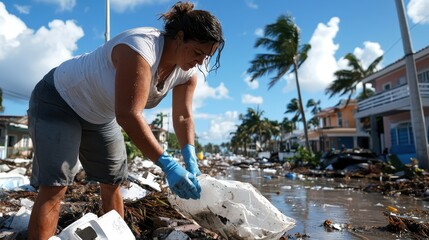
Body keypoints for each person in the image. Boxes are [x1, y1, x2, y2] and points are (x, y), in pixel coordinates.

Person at [26, 1, 224, 239]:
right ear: (180, 37)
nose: (200, 62)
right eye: (197, 52)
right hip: (59, 100)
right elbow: (129, 115)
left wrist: (190, 157)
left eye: (206, 56)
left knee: (112, 180)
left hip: (101, 115)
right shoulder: (141, 48)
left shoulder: (187, 73)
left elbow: (182, 116)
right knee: (56, 185)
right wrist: (168, 165)